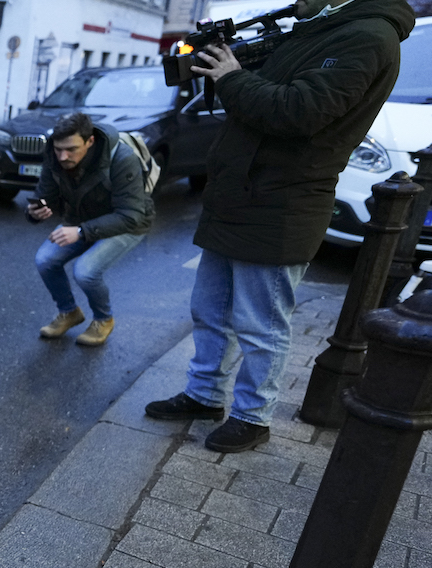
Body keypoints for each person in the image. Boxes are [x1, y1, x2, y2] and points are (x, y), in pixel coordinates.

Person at [146, 0, 414, 453]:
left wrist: (230, 75)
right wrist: (228, 56)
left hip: (281, 200)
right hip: (241, 194)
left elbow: (298, 111)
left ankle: (253, 415)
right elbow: (270, 88)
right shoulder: (318, 27)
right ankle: (204, 394)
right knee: (210, 311)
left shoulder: (367, 36)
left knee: (261, 323)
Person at [28, 112, 153, 347]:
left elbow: (131, 215)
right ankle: (69, 312)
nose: (63, 156)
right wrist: (34, 212)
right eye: (58, 149)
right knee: (45, 260)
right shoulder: (54, 155)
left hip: (126, 223)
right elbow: (44, 196)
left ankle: (103, 319)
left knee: (85, 271)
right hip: (82, 220)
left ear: (90, 141)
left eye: (72, 149)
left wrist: (82, 232)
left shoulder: (122, 158)